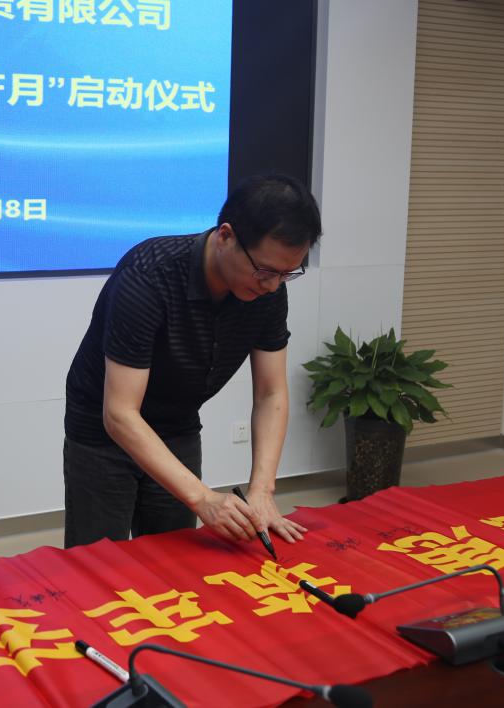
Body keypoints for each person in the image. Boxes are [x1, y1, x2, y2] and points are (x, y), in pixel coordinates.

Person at [63, 173, 322, 549]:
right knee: (98, 562)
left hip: (177, 426)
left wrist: (261, 491)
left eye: (286, 274)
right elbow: (119, 413)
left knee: (175, 558)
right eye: (265, 271)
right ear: (226, 236)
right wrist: (203, 498)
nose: (271, 285)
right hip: (102, 434)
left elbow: (270, 393)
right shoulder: (148, 276)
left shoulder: (267, 291)